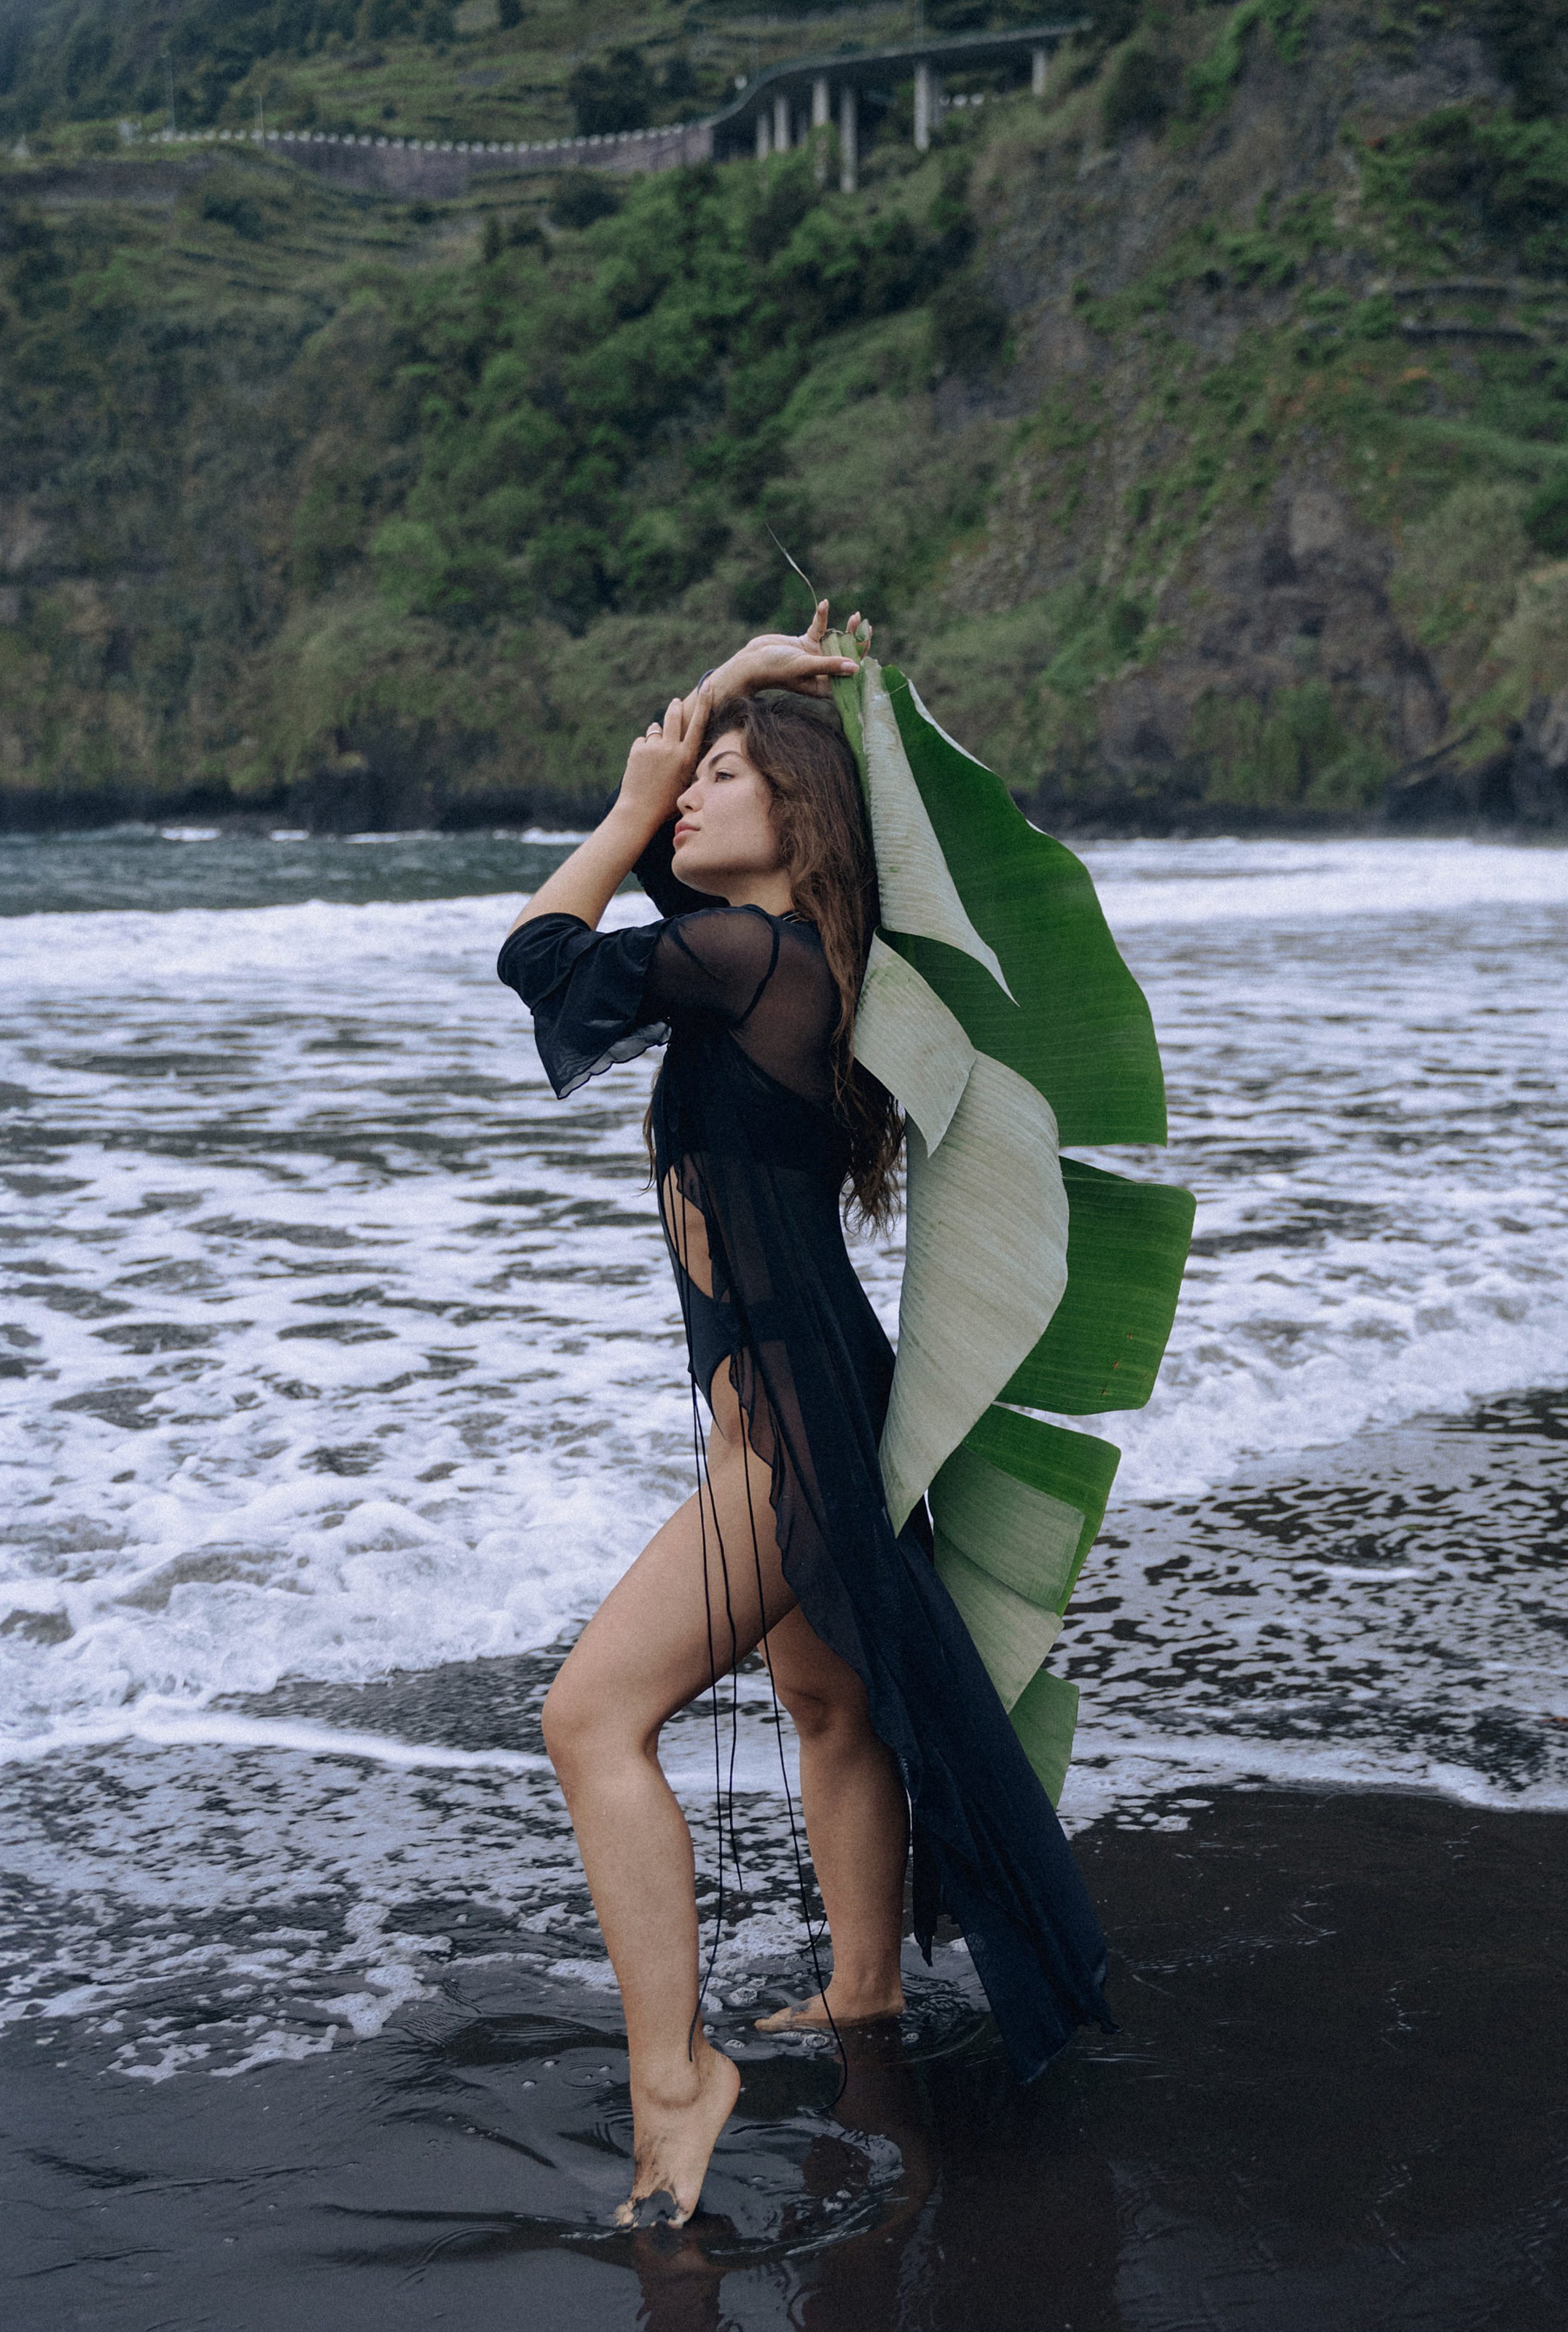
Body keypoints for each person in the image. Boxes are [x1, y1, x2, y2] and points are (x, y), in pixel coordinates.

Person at [498, 604, 1112, 2229]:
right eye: (678, 782)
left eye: (716, 780)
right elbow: (646, 912)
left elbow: (540, 959)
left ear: (800, 814)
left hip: (788, 1419)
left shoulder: (745, 959)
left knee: (587, 1720)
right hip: (799, 1388)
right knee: (825, 1696)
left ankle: (673, 2077)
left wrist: (631, 798)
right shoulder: (788, 965)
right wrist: (740, 686)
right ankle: (858, 1997)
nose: (681, 796)